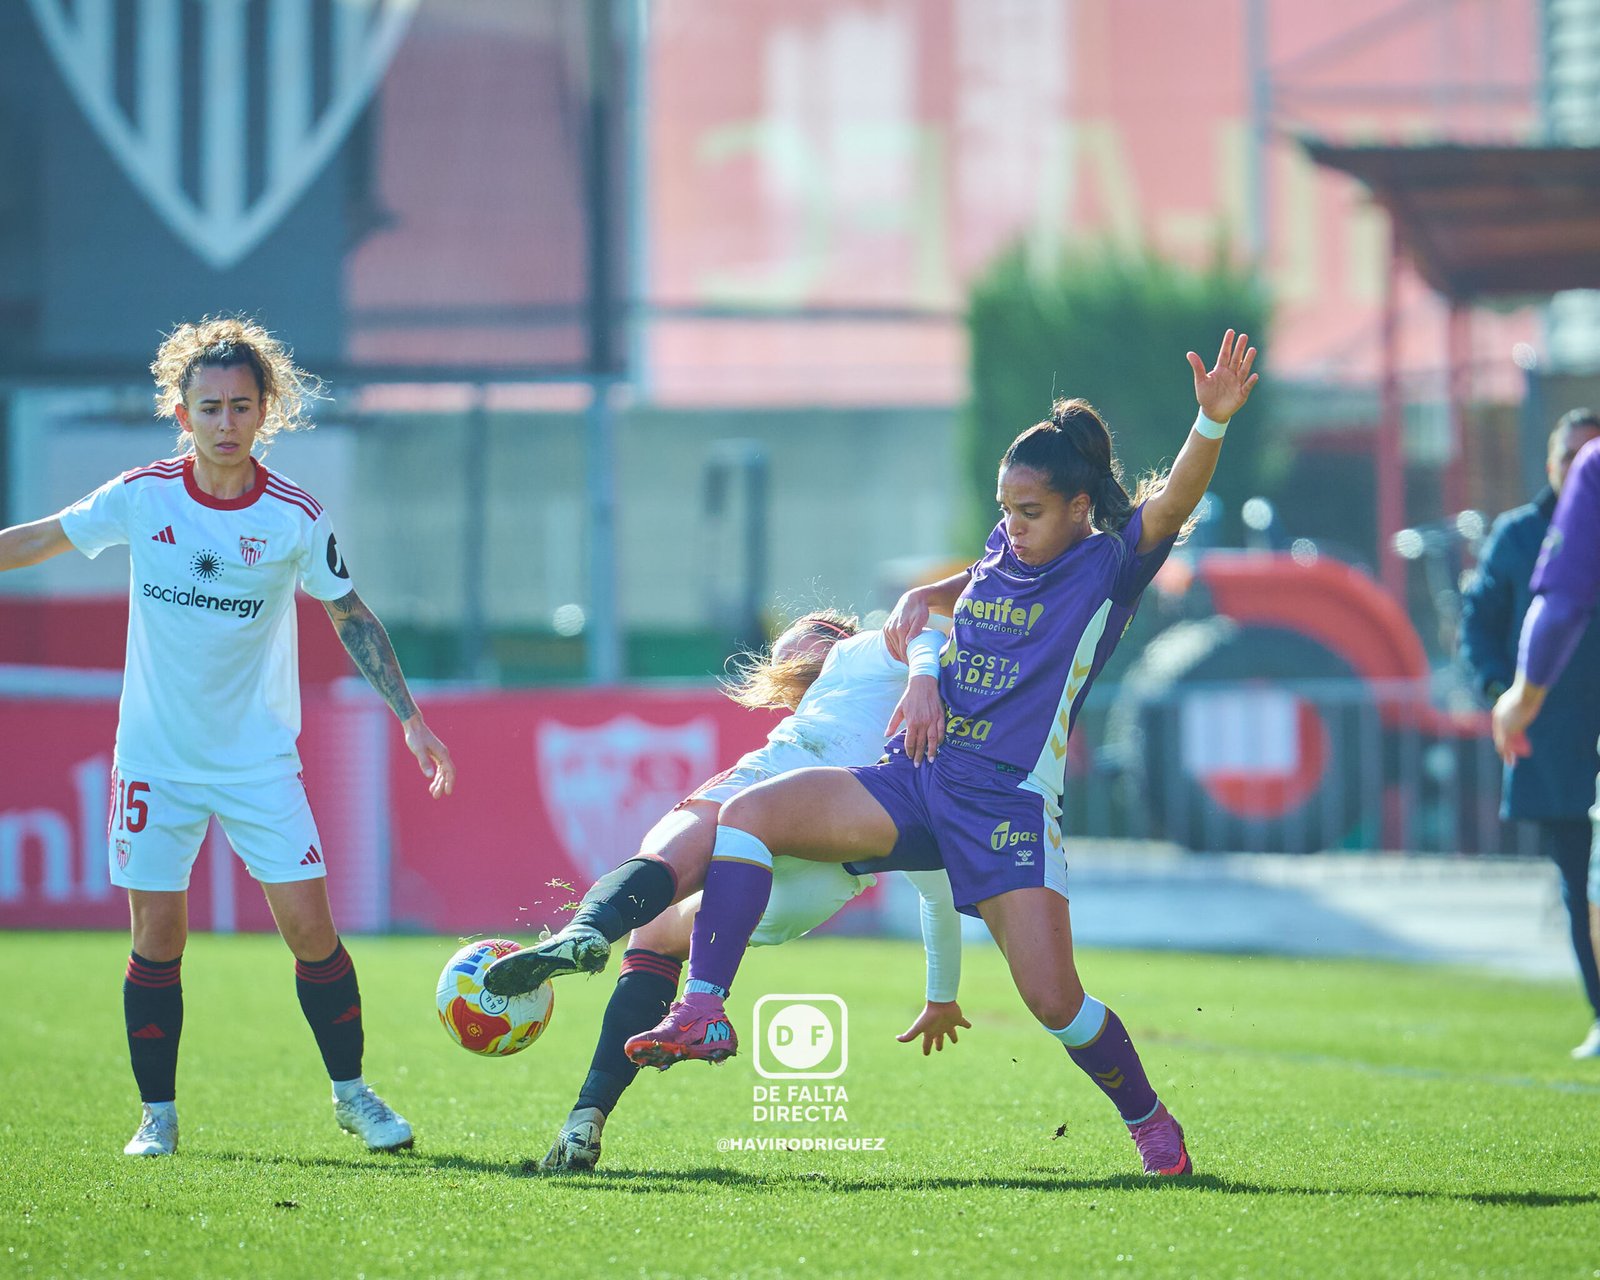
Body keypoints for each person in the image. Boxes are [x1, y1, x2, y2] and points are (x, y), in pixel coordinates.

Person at [623, 330, 1260, 1178]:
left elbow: (1173, 505)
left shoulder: (1107, 567)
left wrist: (1210, 424)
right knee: (747, 816)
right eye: (1005, 510)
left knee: (1054, 1003)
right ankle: (704, 1008)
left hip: (1006, 805)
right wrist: (930, 595)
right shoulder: (1008, 547)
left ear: (1078, 510)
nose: (1011, 527)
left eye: (1030, 513)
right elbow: (983, 574)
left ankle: (1149, 1122)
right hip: (919, 780)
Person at [0, 316, 455, 1157]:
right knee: (157, 938)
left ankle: (353, 1097)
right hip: (154, 760)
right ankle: (158, 1118)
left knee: (312, 933)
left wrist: (410, 719)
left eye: (241, 406)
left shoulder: (293, 516)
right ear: (181, 413)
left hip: (257, 762)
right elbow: (43, 538)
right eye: (208, 406)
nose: (224, 422)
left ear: (265, 411)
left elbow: (349, 612)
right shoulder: (141, 496)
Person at [487, 611, 968, 1171]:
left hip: (781, 784)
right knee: (661, 932)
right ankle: (585, 1120)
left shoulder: (856, 652)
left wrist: (924, 676)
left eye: (795, 645)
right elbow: (937, 893)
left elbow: (924, 632)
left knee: (663, 861)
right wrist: (941, 995)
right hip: (821, 880)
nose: (784, 657)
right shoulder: (891, 734)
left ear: (833, 635)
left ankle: (588, 933)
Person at [1461, 410, 1600, 1057]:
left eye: (1591, 456)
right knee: (1582, 887)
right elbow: (1479, 628)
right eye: (1571, 457)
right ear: (1552, 466)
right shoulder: (1519, 536)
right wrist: (1502, 696)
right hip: (1553, 740)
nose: (1582, 468)